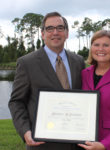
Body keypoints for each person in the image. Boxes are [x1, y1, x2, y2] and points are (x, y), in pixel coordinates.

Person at [8, 12, 85, 150]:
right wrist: (25, 130)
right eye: (50, 28)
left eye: (60, 28)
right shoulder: (27, 63)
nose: (55, 32)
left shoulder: (78, 61)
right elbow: (16, 102)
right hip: (43, 144)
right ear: (43, 34)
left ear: (67, 33)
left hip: (76, 143)